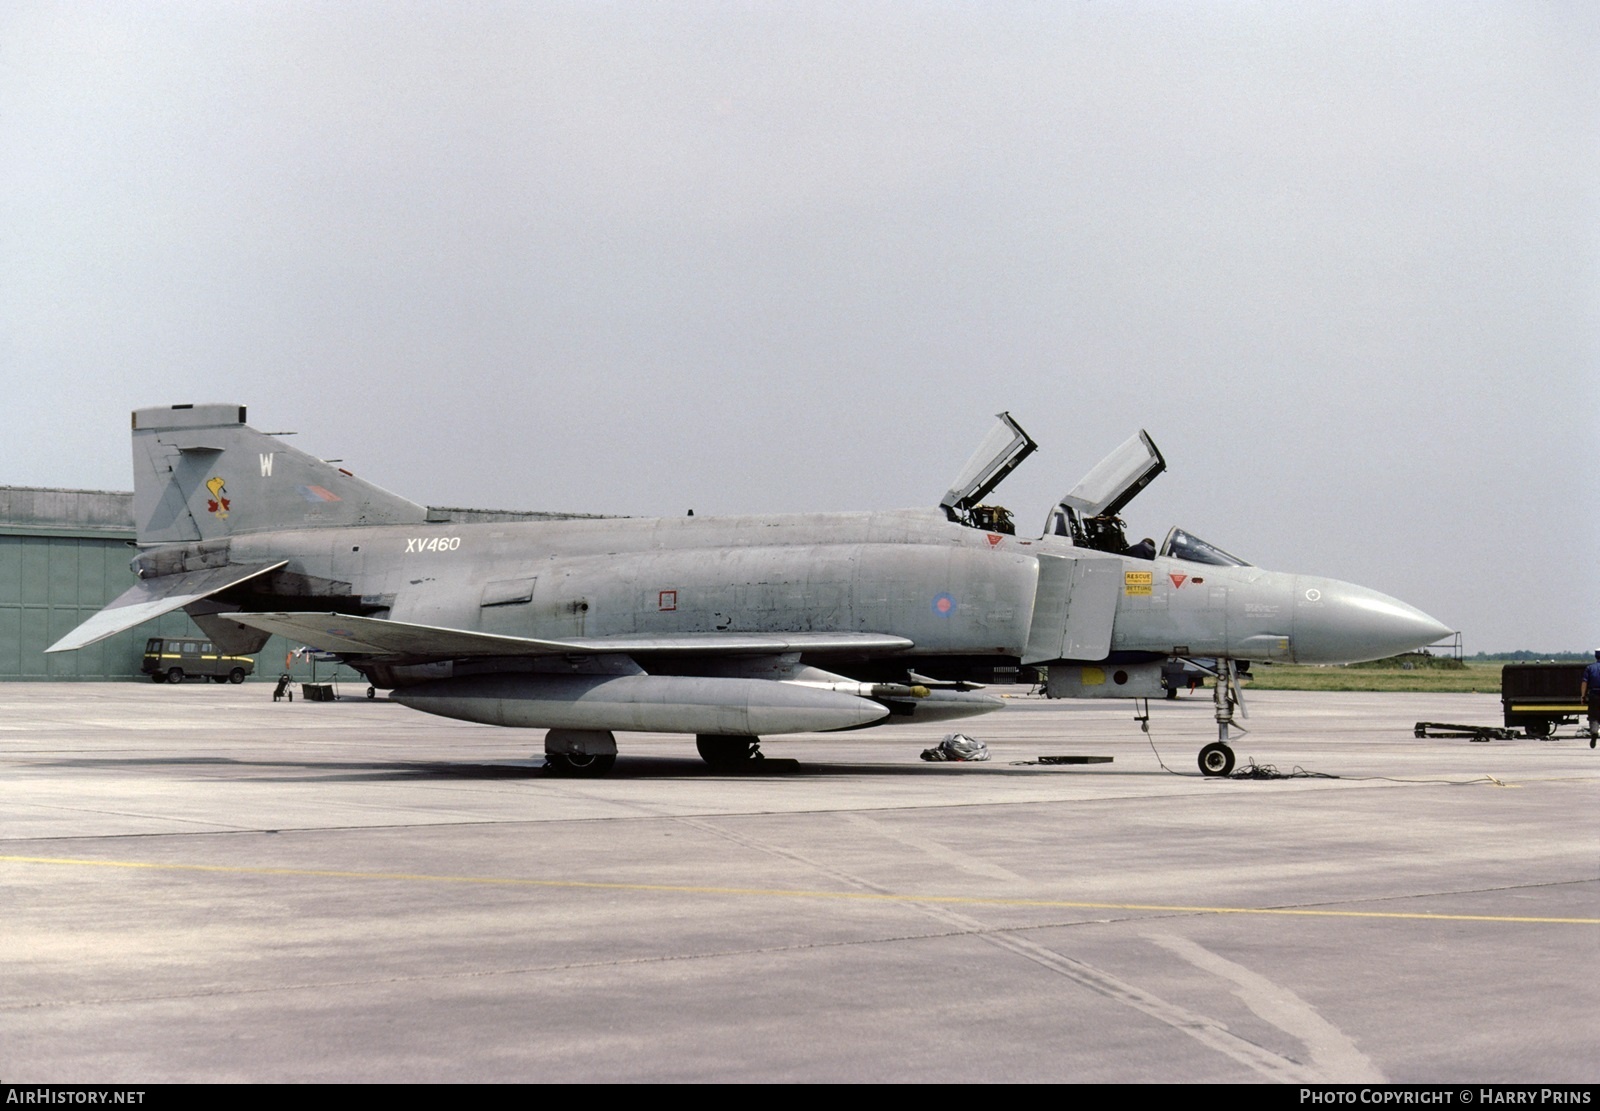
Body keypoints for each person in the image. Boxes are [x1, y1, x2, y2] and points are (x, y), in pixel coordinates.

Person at [1582, 651, 1600, 748]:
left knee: (1593, 716)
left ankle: (1594, 732)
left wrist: (1583, 696)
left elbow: (1584, 682)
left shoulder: (1589, 668)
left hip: (1594, 695)